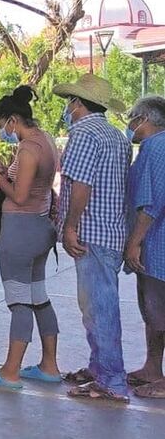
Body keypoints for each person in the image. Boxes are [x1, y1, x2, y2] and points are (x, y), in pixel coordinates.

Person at [0, 86, 62, 390]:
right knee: (38, 297)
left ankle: (9, 371)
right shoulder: (45, 140)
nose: (3, 131)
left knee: (19, 301)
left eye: (1, 125)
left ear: (12, 120)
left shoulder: (28, 148)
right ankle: (49, 364)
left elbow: (20, 196)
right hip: (40, 228)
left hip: (20, 229)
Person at [53, 75, 132, 403]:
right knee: (100, 306)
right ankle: (101, 369)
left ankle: (111, 379)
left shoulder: (83, 133)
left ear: (79, 103)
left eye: (71, 101)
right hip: (111, 231)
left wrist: (70, 226)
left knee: (98, 308)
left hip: (92, 233)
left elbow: (80, 184)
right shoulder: (117, 136)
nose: (68, 107)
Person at [123, 95, 165, 400]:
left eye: (133, 117)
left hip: (156, 245)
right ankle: (152, 367)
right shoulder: (152, 148)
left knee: (158, 310)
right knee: (152, 312)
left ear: (146, 120)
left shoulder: (155, 148)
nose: (131, 123)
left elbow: (151, 204)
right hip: (154, 244)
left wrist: (134, 243)